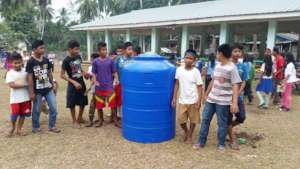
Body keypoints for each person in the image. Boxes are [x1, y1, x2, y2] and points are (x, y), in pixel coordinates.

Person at [194, 44, 241, 151]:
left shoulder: (232, 68)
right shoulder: (218, 65)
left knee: (222, 123)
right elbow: (213, 80)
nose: (216, 55)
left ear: (221, 53)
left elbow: (235, 85)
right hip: (211, 99)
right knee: (205, 120)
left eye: (217, 53)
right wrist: (206, 94)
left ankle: (221, 144)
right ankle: (201, 142)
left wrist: (234, 103)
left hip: (223, 102)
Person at [26, 40, 60, 133]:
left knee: (53, 107)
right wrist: (31, 92)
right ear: (34, 49)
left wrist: (53, 85)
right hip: (37, 91)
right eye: (41, 48)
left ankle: (52, 126)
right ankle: (35, 127)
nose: (43, 49)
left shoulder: (46, 60)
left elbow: (49, 73)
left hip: (48, 88)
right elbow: (29, 78)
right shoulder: (30, 62)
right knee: (37, 109)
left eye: (43, 47)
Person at [172, 49, 203, 144]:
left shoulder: (196, 72)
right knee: (181, 120)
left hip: (193, 100)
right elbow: (176, 84)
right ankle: (186, 131)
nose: (188, 60)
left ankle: (189, 136)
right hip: (182, 100)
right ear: (183, 58)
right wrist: (174, 97)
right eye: (187, 57)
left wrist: (199, 100)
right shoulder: (179, 70)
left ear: (194, 60)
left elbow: (200, 87)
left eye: (191, 58)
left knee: (193, 120)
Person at [92, 42, 121, 128]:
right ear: (99, 51)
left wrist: (116, 79)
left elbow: (114, 72)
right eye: (103, 50)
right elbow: (93, 73)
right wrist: (95, 81)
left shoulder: (110, 61)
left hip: (109, 86)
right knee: (99, 105)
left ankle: (115, 120)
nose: (105, 51)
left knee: (113, 104)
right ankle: (100, 121)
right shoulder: (95, 61)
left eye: (105, 49)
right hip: (99, 87)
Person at [61, 40, 89, 128]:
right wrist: (74, 82)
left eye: (78, 49)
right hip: (73, 84)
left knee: (83, 101)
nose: (77, 51)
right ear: (70, 49)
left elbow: (79, 68)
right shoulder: (66, 60)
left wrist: (85, 74)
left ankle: (80, 117)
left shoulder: (78, 57)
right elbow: (62, 75)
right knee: (72, 103)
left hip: (81, 82)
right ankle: (74, 121)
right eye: (76, 49)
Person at [227, 44, 249, 150]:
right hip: (227, 96)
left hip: (238, 96)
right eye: (235, 51)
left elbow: (244, 81)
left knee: (242, 117)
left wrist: (239, 92)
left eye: (239, 51)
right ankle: (232, 140)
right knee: (228, 117)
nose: (237, 53)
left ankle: (227, 127)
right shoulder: (227, 65)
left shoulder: (243, 66)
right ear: (231, 52)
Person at [5, 52, 31, 137]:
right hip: (15, 99)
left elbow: (30, 81)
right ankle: (13, 127)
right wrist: (25, 85)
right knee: (14, 115)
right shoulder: (10, 73)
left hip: (25, 98)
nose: (17, 64)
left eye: (19, 62)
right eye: (15, 63)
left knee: (23, 115)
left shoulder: (25, 72)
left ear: (22, 62)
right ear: (11, 63)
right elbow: (12, 85)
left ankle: (19, 130)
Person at [114, 42, 134, 122]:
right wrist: (116, 79)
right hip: (121, 83)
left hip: (131, 84)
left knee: (129, 100)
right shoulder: (119, 59)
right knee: (120, 100)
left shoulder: (134, 60)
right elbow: (114, 70)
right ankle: (120, 117)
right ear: (124, 50)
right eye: (129, 49)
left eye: (132, 49)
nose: (131, 51)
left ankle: (128, 116)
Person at [86, 53, 100, 127]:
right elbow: (88, 77)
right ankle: (92, 120)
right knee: (94, 104)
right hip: (94, 89)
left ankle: (95, 120)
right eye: (91, 60)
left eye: (92, 59)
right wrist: (86, 74)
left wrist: (88, 89)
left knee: (96, 104)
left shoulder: (100, 67)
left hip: (99, 88)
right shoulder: (90, 67)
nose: (91, 61)